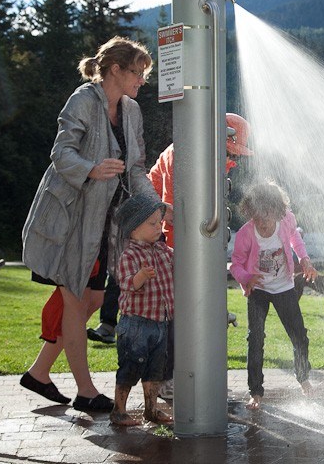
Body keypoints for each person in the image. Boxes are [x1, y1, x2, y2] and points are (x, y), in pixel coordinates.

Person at [20, 36, 157, 411]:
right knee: (78, 301)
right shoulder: (83, 99)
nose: (142, 81)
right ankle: (85, 391)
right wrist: (92, 170)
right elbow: (61, 152)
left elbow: (137, 167)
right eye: (138, 72)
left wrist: (154, 206)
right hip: (68, 220)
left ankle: (39, 373)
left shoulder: (131, 111)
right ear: (115, 69)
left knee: (94, 298)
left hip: (102, 225)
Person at [87, 113, 253, 398]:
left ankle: (179, 375)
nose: (231, 157)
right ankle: (164, 380)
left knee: (179, 313)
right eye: (229, 149)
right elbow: (178, 217)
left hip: (169, 235)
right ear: (220, 137)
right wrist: (187, 266)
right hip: (159, 234)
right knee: (171, 315)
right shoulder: (185, 155)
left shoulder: (206, 156)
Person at [229, 182, 317, 410]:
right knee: (255, 340)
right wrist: (246, 278)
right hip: (258, 290)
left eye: (266, 217)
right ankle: (255, 392)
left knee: (299, 335)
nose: (262, 223)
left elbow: (295, 239)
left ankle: (303, 377)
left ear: (277, 211)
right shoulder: (246, 233)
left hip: (284, 287)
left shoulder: (286, 220)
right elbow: (235, 264)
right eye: (256, 217)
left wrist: (304, 259)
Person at [109, 193, 174, 426]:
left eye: (160, 222)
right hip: (136, 323)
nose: (159, 227)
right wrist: (141, 276)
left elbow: (178, 264)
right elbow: (126, 284)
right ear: (134, 228)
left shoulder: (162, 251)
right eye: (152, 223)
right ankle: (119, 409)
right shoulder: (130, 254)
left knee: (156, 368)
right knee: (130, 365)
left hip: (159, 321)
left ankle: (151, 409)